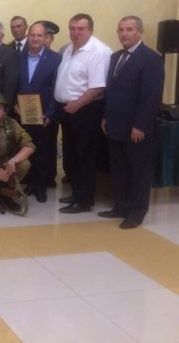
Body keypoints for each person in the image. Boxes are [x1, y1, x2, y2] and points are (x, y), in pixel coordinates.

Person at [100, 16, 164, 229]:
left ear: (139, 32)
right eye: (121, 29)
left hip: (136, 128)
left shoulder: (151, 58)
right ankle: (120, 205)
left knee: (138, 171)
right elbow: (111, 91)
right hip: (114, 125)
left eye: (129, 29)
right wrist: (105, 117)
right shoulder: (115, 57)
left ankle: (137, 212)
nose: (124, 33)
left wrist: (141, 125)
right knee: (119, 169)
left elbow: (151, 96)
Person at [54, 13, 111, 214]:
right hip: (68, 109)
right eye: (73, 28)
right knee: (73, 155)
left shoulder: (98, 51)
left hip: (85, 110)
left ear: (90, 30)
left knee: (85, 156)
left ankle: (84, 201)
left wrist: (77, 105)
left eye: (81, 29)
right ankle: (77, 193)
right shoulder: (69, 48)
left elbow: (98, 87)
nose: (76, 32)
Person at [15, 22, 62, 203]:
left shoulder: (56, 59)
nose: (35, 39)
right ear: (28, 36)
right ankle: (29, 182)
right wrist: (14, 104)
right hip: (22, 114)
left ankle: (41, 186)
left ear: (45, 38)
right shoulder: (18, 57)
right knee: (26, 148)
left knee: (43, 151)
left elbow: (57, 88)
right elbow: (13, 83)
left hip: (43, 115)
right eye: (32, 35)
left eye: (39, 35)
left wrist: (50, 113)